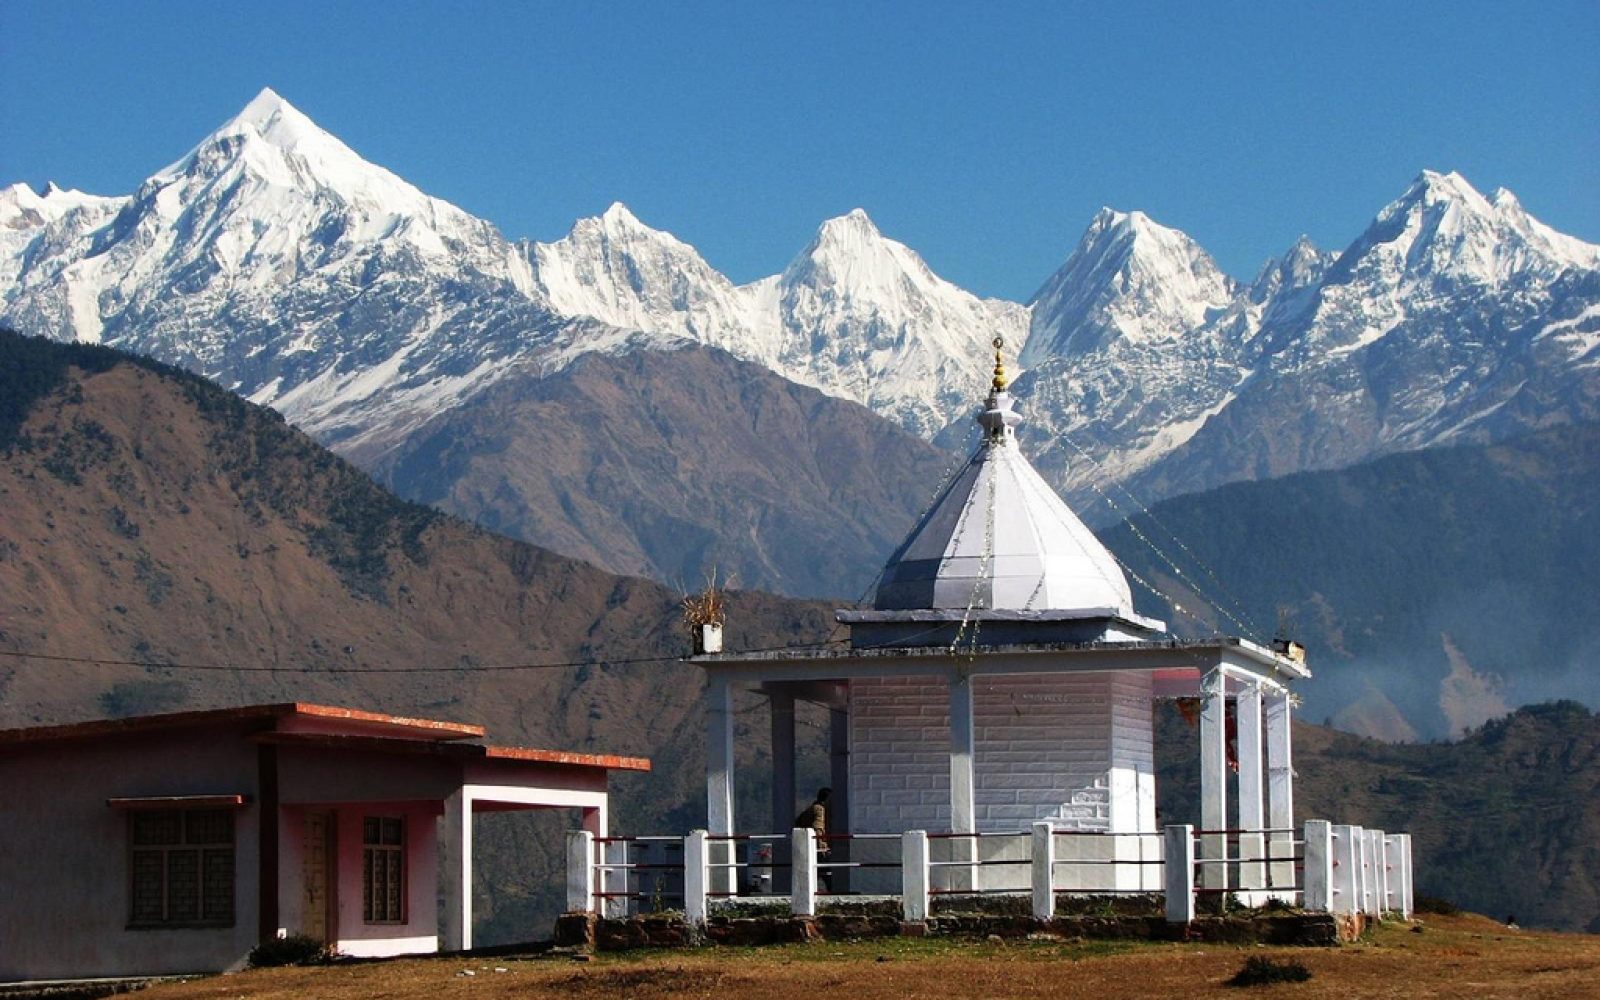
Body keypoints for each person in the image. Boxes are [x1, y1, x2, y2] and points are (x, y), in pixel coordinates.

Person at [794, 787, 832, 889]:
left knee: (818, 873)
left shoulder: (811, 808)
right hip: (816, 848)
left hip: (807, 846)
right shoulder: (820, 809)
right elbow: (818, 830)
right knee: (827, 873)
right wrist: (822, 848)